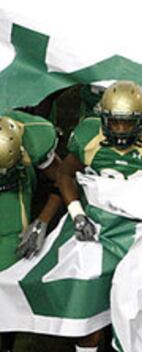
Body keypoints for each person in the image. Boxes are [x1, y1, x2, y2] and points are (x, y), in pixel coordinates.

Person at [57, 81, 142, 352]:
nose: (120, 129)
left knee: (137, 311)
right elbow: (65, 173)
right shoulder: (88, 135)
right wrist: (77, 213)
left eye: (127, 123)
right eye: (114, 122)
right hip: (97, 228)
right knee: (87, 310)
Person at [0, 112, 61, 352]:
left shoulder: (34, 136)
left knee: (6, 293)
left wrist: (42, 221)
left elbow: (63, 178)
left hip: (13, 220)